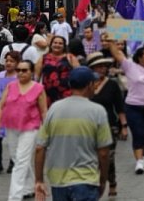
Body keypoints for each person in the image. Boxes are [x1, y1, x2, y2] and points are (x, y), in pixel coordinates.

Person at [33, 66, 113, 201]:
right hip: (86, 180)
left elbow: (40, 147)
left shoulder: (54, 108)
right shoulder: (97, 111)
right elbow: (104, 153)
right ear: (89, 85)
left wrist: (39, 180)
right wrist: (103, 180)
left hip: (58, 182)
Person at [104, 39, 144, 174]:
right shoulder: (129, 66)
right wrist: (110, 41)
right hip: (134, 107)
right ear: (139, 58)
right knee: (138, 133)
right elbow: (117, 53)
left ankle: (143, 156)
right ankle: (139, 161)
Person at [0, 57, 49, 201]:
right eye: (18, 70)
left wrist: (47, 131)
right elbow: (1, 106)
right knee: (16, 157)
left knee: (20, 162)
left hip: (30, 128)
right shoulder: (11, 86)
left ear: (31, 72)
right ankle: (29, 186)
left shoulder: (38, 88)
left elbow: (44, 111)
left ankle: (14, 197)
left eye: (24, 70)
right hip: (11, 126)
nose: (20, 73)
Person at [87, 52, 127, 199]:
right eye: (98, 66)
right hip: (88, 127)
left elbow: (119, 107)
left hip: (109, 126)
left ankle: (112, 182)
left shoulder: (112, 84)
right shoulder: (86, 85)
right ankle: (93, 182)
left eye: (104, 66)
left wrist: (124, 125)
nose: (102, 69)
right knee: (91, 157)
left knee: (108, 157)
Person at [39, 35, 80, 104]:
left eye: (60, 43)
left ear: (64, 46)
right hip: (47, 94)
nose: (57, 45)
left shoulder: (70, 57)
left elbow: (79, 74)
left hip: (67, 94)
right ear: (51, 44)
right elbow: (36, 77)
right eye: (55, 43)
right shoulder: (43, 58)